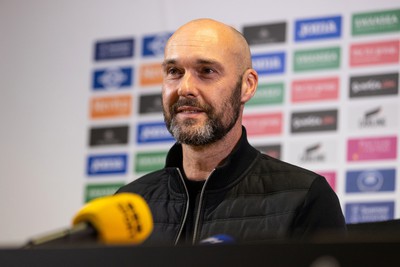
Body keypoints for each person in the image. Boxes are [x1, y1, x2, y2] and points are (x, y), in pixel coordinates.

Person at [117, 18, 346, 245]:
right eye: (174, 71)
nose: (185, 88)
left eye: (206, 71)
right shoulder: (128, 206)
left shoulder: (305, 198)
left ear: (247, 85)